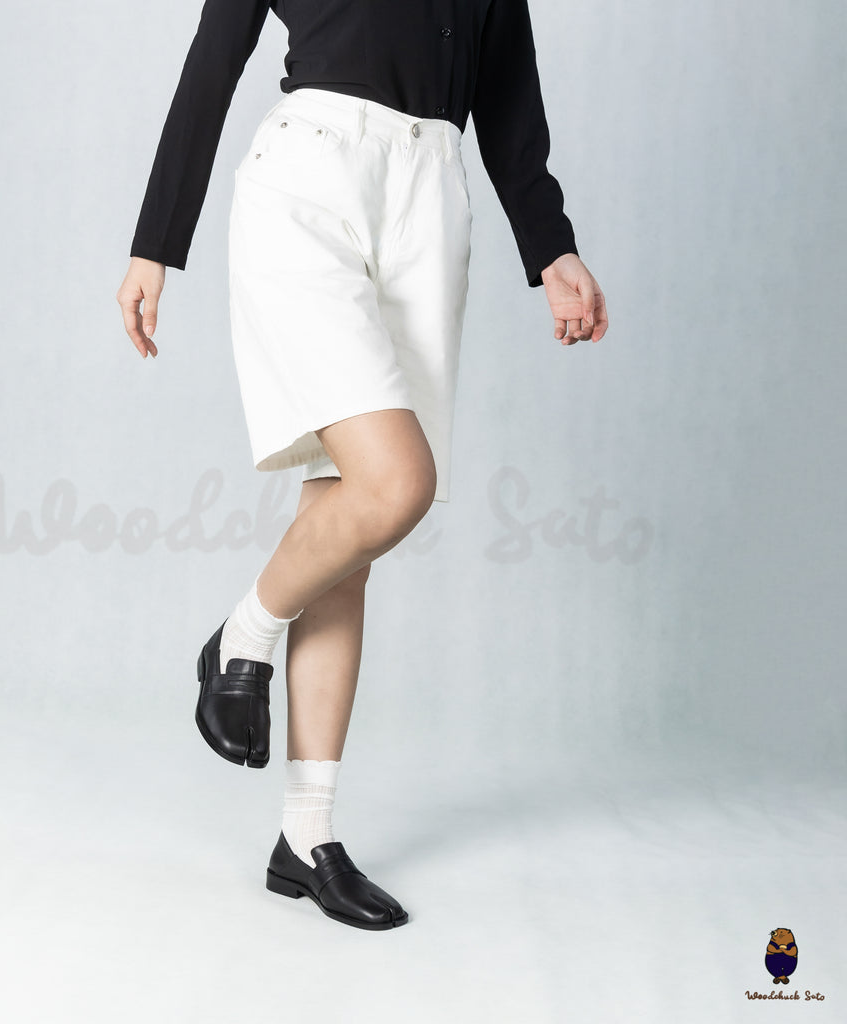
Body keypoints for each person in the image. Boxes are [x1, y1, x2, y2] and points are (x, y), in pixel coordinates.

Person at [116, 0, 609, 931]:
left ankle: (305, 838)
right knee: (395, 483)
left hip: (432, 196)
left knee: (348, 535)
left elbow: (508, 94)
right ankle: (243, 637)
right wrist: (156, 244)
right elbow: (214, 58)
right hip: (311, 179)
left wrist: (552, 248)